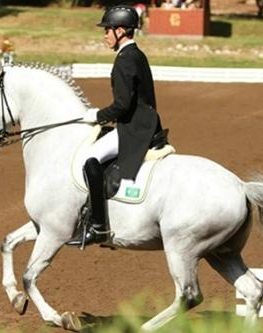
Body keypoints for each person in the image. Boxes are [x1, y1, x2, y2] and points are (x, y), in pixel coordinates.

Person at [67, 5, 163, 247]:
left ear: (121, 31)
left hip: (134, 128)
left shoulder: (124, 60)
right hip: (145, 122)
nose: (105, 35)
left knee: (89, 160)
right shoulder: (137, 54)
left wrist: (96, 115)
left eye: (108, 30)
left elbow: (121, 105)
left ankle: (98, 225)